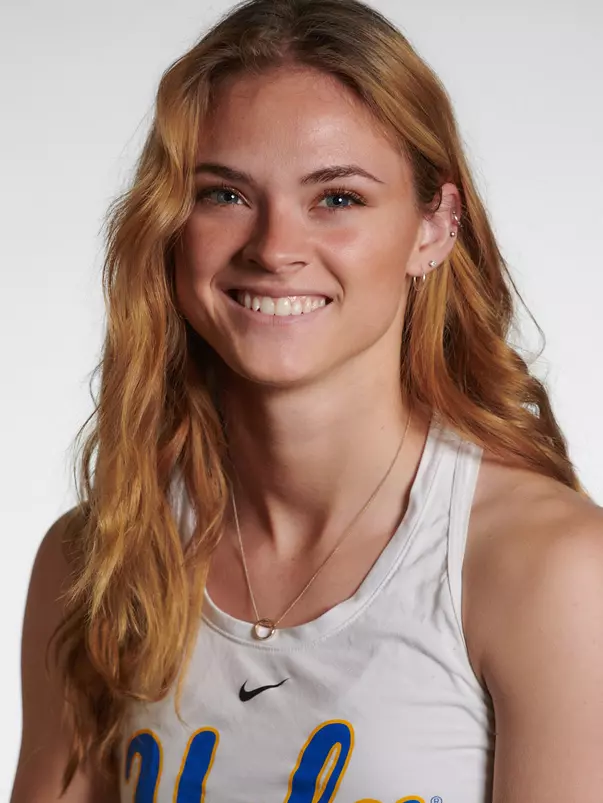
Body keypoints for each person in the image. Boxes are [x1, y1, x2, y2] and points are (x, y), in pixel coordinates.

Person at [11, 0, 603, 801]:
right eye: (223, 194)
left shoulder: (548, 571)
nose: (275, 249)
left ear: (433, 226)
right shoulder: (101, 556)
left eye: (337, 198)